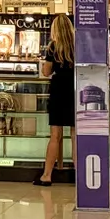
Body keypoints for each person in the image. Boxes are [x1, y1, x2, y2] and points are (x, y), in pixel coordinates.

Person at [35, 14, 76, 187]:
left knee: (55, 136)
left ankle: (47, 175)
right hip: (75, 89)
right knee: (75, 135)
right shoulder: (78, 45)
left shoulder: (53, 47)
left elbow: (46, 72)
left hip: (59, 91)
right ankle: (80, 174)